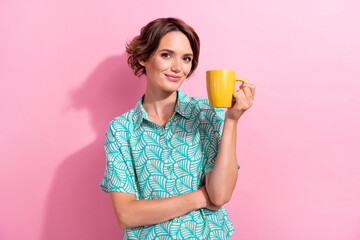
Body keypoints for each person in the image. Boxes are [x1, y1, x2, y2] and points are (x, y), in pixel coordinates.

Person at [100, 17, 256, 239]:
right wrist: (202, 197)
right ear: (144, 57)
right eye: (166, 55)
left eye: (186, 58)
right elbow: (126, 214)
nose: (177, 67)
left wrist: (231, 120)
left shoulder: (205, 114)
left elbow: (220, 195)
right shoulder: (121, 130)